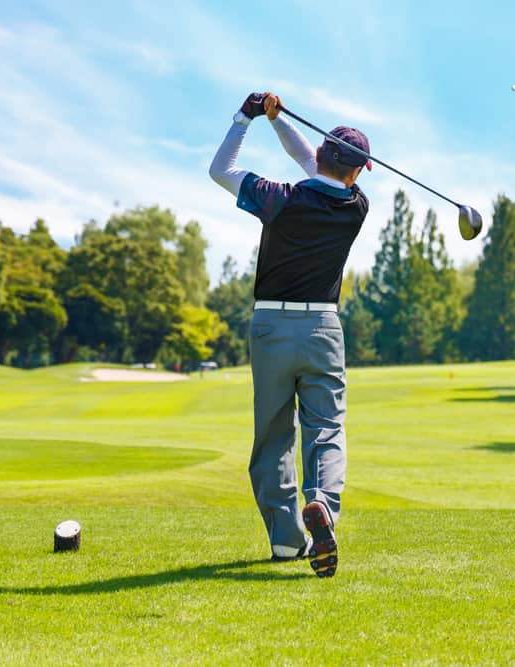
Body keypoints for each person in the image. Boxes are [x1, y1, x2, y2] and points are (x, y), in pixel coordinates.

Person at [209, 92, 371, 578]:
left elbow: (221, 169)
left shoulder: (279, 198)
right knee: (325, 427)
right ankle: (321, 502)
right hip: (324, 327)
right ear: (358, 173)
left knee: (273, 434)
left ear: (322, 155)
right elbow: (319, 167)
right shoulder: (357, 207)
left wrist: (248, 118)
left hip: (271, 327)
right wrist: (280, 123)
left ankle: (285, 541)